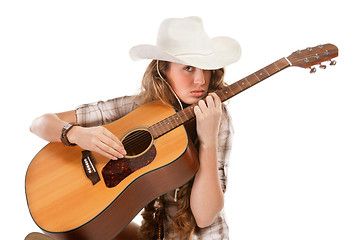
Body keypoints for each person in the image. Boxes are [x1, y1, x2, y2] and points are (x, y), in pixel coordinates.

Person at [30, 16, 241, 240]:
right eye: (188, 68)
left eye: (205, 68)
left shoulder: (216, 117)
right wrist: (77, 134)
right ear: (163, 71)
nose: (200, 79)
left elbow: (204, 217)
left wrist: (207, 141)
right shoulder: (138, 108)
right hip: (154, 234)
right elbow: (39, 124)